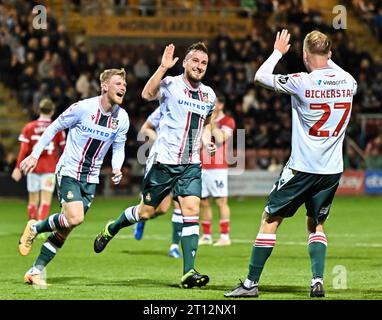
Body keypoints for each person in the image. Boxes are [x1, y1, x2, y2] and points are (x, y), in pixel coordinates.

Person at [224, 30, 357, 298]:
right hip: (331, 170)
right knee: (316, 224)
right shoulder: (349, 82)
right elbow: (330, 64)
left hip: (301, 169)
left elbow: (260, 77)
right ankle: (317, 281)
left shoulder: (302, 82)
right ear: (330, 54)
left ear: (305, 54)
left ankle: (251, 284)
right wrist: (325, 56)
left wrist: (278, 52)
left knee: (270, 219)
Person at [93, 42, 217, 289]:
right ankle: (113, 226)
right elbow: (147, 95)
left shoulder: (209, 95)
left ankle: (188, 272)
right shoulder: (171, 84)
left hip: (191, 163)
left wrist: (207, 140)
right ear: (185, 62)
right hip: (163, 161)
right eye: (195, 61)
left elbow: (207, 122)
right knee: (147, 212)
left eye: (203, 63)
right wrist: (162, 67)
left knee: (191, 211)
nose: (199, 66)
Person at [18, 68, 130, 287]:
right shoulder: (83, 108)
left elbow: (119, 147)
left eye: (124, 84)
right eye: (118, 83)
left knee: (65, 229)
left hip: (92, 178)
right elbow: (54, 127)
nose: (123, 87)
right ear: (105, 86)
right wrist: (34, 154)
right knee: (76, 218)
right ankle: (36, 228)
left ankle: (34, 271)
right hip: (69, 170)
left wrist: (117, 168)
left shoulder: (122, 118)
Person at [133, 106, 184, 259]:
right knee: (161, 209)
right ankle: (140, 218)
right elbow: (145, 128)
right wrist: (156, 139)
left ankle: (174, 247)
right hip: (160, 160)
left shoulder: (192, 106)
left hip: (182, 160)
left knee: (180, 203)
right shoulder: (165, 107)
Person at [12, 99, 66, 230]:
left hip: (33, 168)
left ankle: (30, 228)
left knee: (32, 201)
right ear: (52, 111)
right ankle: (40, 228)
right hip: (49, 168)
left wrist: (18, 167)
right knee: (46, 200)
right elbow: (64, 150)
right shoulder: (57, 127)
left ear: (39, 110)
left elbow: (24, 150)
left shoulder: (29, 127)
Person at [198, 93, 236, 246]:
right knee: (203, 202)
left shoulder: (228, 121)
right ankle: (206, 236)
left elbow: (220, 138)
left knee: (221, 201)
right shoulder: (202, 120)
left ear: (220, 105)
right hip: (201, 166)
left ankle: (225, 236)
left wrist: (211, 121)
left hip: (218, 166)